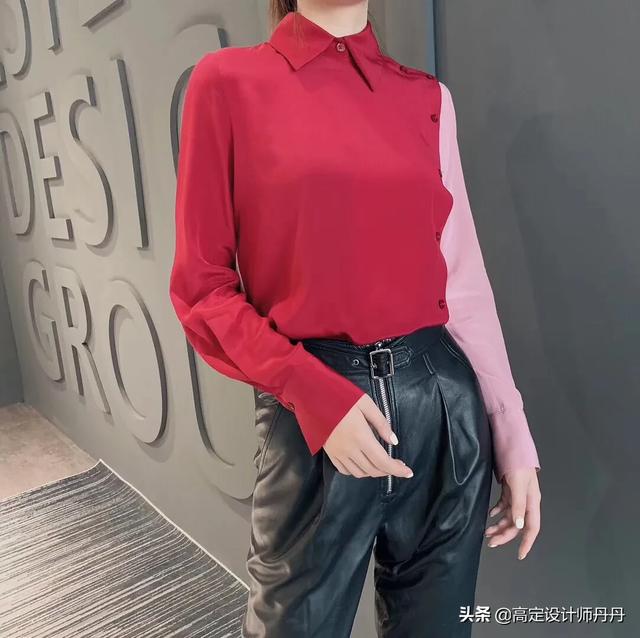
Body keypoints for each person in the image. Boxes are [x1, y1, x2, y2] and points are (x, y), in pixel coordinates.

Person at [169, 1, 542, 636]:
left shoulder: (427, 98)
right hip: (314, 415)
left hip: (443, 409)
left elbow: (462, 281)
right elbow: (202, 289)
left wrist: (511, 429)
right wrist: (313, 392)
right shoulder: (227, 83)